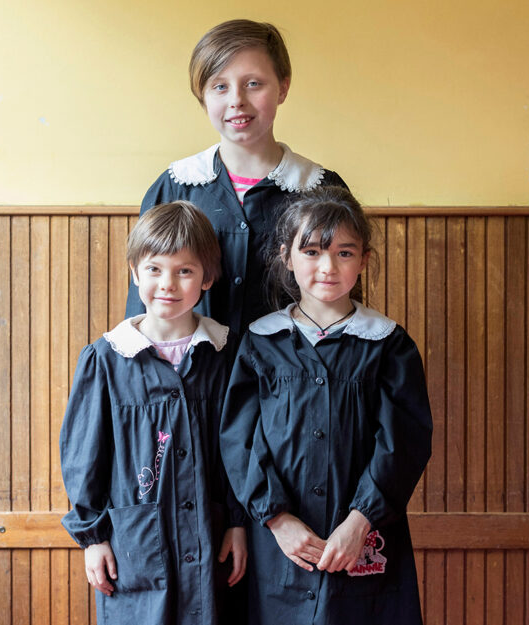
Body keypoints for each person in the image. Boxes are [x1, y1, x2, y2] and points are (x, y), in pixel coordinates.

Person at [220, 186, 432, 624]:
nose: (328, 267)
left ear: (365, 260)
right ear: (286, 256)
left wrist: (361, 522)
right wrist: (277, 519)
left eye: (344, 253)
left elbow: (403, 443)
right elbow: (239, 440)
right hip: (281, 545)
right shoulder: (261, 343)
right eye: (312, 251)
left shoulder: (388, 345)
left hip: (364, 540)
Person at [61, 201, 247, 625]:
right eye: (155, 269)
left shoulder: (226, 354)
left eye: (185, 271)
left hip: (211, 537)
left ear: (207, 278)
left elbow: (242, 448)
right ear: (134, 272)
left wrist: (238, 522)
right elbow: (84, 457)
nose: (168, 284)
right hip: (135, 546)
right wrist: (93, 538)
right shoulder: (106, 359)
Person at [126, 19, 348, 337]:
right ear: (202, 96)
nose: (236, 100)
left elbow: (343, 306)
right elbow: (142, 310)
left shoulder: (320, 189)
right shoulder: (175, 186)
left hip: (291, 381)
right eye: (220, 86)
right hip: (192, 380)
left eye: (253, 83)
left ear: (283, 87)